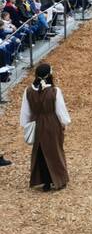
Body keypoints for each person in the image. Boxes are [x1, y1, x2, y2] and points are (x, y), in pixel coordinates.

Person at [19, 63, 71, 191]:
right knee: (55, 151)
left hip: (37, 124)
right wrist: (64, 123)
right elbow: (60, 110)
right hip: (52, 123)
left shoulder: (28, 91)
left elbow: (25, 112)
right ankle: (58, 179)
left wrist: (27, 125)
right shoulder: (55, 91)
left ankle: (45, 181)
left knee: (40, 152)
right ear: (49, 75)